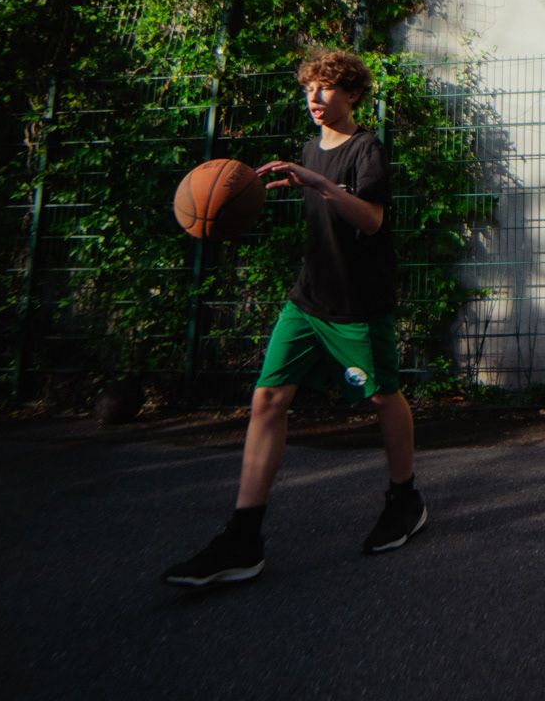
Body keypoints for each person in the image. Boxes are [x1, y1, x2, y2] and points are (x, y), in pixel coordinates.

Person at [163, 49, 424, 586]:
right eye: (309, 88)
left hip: (358, 305)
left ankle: (405, 500)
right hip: (307, 300)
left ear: (352, 94)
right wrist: (291, 184)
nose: (315, 97)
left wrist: (320, 184)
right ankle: (243, 537)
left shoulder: (366, 148)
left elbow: (371, 220)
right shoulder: (309, 149)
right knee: (267, 399)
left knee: (382, 397)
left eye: (326, 87)